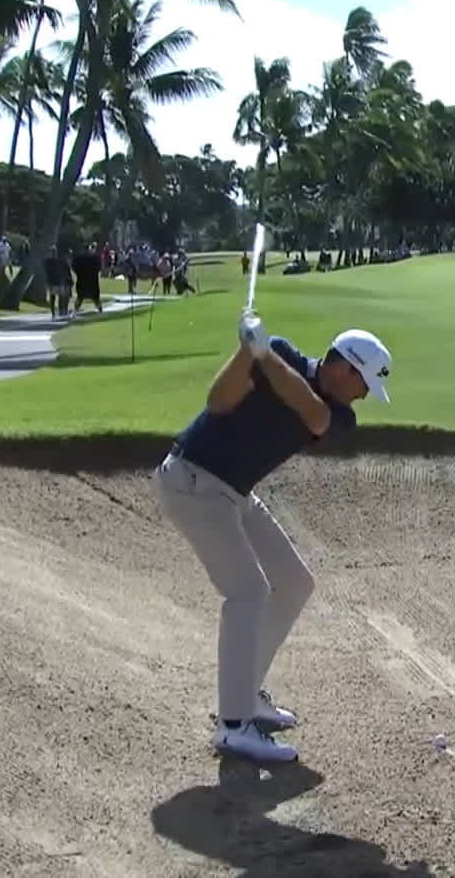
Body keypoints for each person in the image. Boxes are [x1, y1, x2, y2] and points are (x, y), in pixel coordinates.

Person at [152, 312, 393, 763]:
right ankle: (233, 726)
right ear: (343, 368)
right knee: (247, 591)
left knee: (294, 582)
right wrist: (248, 355)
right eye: (363, 383)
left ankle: (245, 694)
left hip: (233, 493)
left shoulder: (338, 413)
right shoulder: (276, 352)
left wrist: (263, 357)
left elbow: (312, 413)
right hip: (192, 480)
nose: (363, 394)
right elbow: (218, 402)